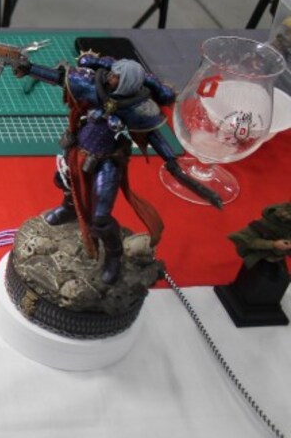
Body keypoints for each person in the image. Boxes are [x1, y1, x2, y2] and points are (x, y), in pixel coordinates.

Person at [15, 53, 220, 284]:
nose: (110, 77)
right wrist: (30, 68)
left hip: (107, 162)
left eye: (116, 77)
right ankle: (70, 209)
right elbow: (60, 78)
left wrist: (171, 161)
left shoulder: (139, 108)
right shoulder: (94, 86)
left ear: (127, 83)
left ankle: (114, 255)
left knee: (101, 218)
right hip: (78, 151)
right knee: (64, 182)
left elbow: (153, 135)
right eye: (112, 73)